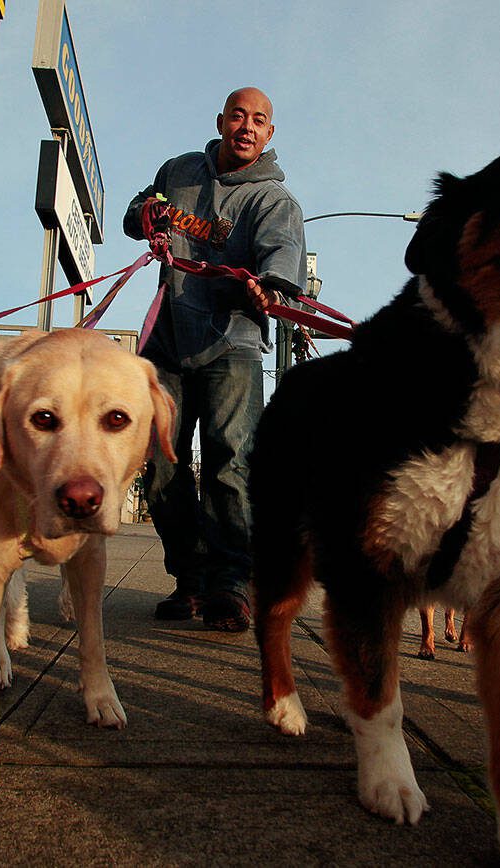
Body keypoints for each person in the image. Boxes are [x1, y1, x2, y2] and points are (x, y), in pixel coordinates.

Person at [123, 87, 307, 632]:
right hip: (166, 344)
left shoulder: (274, 202)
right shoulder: (179, 172)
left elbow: (282, 262)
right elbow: (137, 215)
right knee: (159, 463)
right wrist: (147, 215)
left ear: (269, 133)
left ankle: (231, 582)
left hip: (233, 346)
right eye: (238, 116)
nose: (247, 127)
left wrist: (269, 288)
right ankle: (191, 578)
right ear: (221, 121)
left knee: (230, 462)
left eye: (259, 121)